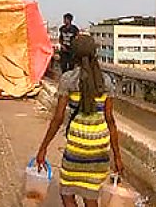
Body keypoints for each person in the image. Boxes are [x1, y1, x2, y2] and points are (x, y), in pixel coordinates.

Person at [36, 34, 122, 207]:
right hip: (99, 149)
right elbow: (110, 121)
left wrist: (43, 148)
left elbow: (58, 118)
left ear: (74, 56)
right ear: (95, 54)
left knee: (67, 192)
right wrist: (117, 157)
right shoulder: (106, 81)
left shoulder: (68, 79)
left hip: (76, 147)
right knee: (91, 196)